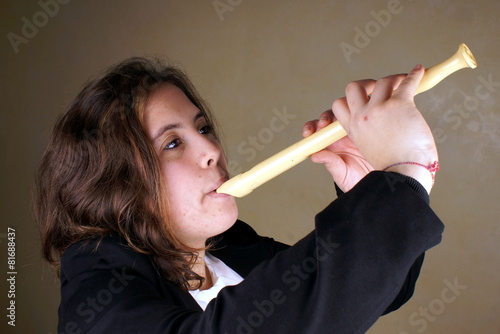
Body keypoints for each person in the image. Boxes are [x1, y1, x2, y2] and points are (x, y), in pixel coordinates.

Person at [33, 57, 444, 333]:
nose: (212, 150)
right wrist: (402, 177)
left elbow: (366, 292)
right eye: (172, 144)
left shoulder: (231, 250)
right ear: (115, 184)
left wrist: (366, 186)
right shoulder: (95, 282)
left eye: (203, 128)